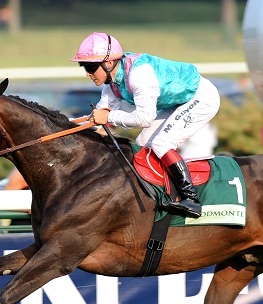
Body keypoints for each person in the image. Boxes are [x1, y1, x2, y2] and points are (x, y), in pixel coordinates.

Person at [72, 32, 221, 218]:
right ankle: (160, 194)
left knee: (161, 143)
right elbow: (97, 118)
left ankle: (191, 199)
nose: (87, 72)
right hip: (177, 102)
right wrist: (64, 125)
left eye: (91, 67)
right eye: (84, 66)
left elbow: (144, 119)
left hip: (200, 97)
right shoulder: (111, 83)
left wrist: (108, 118)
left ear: (108, 63)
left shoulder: (138, 75)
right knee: (142, 144)